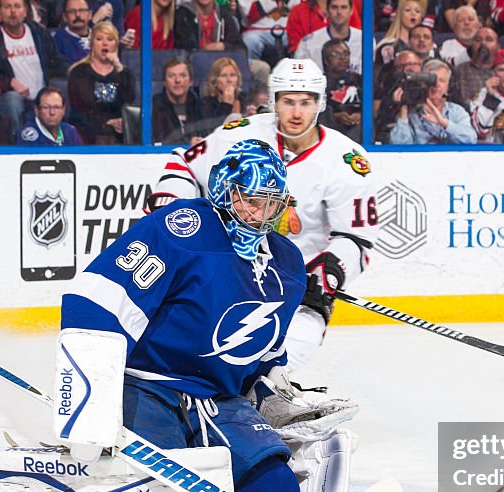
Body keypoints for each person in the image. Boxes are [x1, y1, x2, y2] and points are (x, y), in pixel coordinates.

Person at [62, 139, 308, 492]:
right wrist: (89, 403)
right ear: (226, 191)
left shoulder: (287, 262)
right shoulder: (182, 230)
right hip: (147, 385)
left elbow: (267, 352)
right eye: (252, 200)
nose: (260, 215)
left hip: (217, 398)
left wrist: (270, 387)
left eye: (271, 204)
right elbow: (94, 301)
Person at [152, 59, 379, 370]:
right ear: (274, 102)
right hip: (233, 267)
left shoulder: (346, 160)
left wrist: (329, 271)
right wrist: (172, 213)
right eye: (287, 102)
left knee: (291, 349)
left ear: (320, 103)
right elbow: (184, 164)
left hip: (298, 283)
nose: (296, 113)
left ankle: (269, 391)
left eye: (305, 103)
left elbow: (357, 238)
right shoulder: (240, 135)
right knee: (206, 350)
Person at [0, 0, 68, 134]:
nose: (13, 12)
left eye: (17, 6)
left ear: (26, 11)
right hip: (11, 98)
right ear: (0, 11)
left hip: (42, 96)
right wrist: (10, 82)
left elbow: (57, 61)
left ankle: (63, 139)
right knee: (13, 100)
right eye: (7, 7)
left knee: (63, 89)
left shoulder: (39, 33)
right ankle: (16, 144)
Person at [67, 20, 136, 144]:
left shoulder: (125, 74)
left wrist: (119, 68)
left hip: (119, 135)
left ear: (116, 44)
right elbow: (81, 109)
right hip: (88, 133)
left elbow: (129, 101)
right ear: (92, 43)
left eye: (110, 39)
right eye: (99, 39)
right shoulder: (79, 72)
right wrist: (107, 123)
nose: (105, 43)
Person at [389, 58, 477, 144]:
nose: (436, 84)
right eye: (432, 79)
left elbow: (471, 140)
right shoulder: (412, 114)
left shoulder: (457, 111)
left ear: (448, 85)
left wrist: (444, 123)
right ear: (422, 82)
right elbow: (399, 147)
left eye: (442, 80)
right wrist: (403, 109)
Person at [152, 58, 211, 145]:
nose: (177, 80)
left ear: (191, 81)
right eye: (171, 76)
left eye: (183, 75)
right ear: (164, 82)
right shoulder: (154, 106)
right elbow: (157, 141)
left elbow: (209, 135)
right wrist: (187, 144)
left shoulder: (200, 105)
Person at [295, 0, 363, 75]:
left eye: (344, 7)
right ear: (327, 10)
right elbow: (298, 76)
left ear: (351, 11)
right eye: (334, 7)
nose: (339, 12)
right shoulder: (308, 44)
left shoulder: (365, 41)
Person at [318, 39, 362, 141]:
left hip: (359, 133)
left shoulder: (360, 80)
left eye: (346, 53)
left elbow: (375, 109)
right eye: (336, 54)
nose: (343, 58)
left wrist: (362, 115)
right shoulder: (319, 83)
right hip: (330, 134)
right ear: (326, 60)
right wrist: (334, 117)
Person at [17, 86, 84, 145]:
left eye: (57, 107)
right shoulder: (28, 134)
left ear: (64, 110)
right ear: (37, 110)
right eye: (46, 107)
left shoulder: (70, 132)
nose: (52, 112)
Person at [450, 26, 499, 107]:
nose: (483, 43)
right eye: (478, 40)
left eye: (489, 39)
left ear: (498, 46)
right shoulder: (460, 71)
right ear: (472, 45)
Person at [174, 0, 244, 52]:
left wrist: (224, 46)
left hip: (220, 66)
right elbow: (187, 50)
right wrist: (206, 50)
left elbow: (241, 49)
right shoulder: (183, 15)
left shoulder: (224, 15)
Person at [202, 56, 245, 127]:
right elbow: (213, 130)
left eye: (232, 75)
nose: (229, 80)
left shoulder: (245, 99)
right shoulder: (206, 104)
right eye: (224, 75)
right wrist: (226, 105)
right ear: (214, 81)